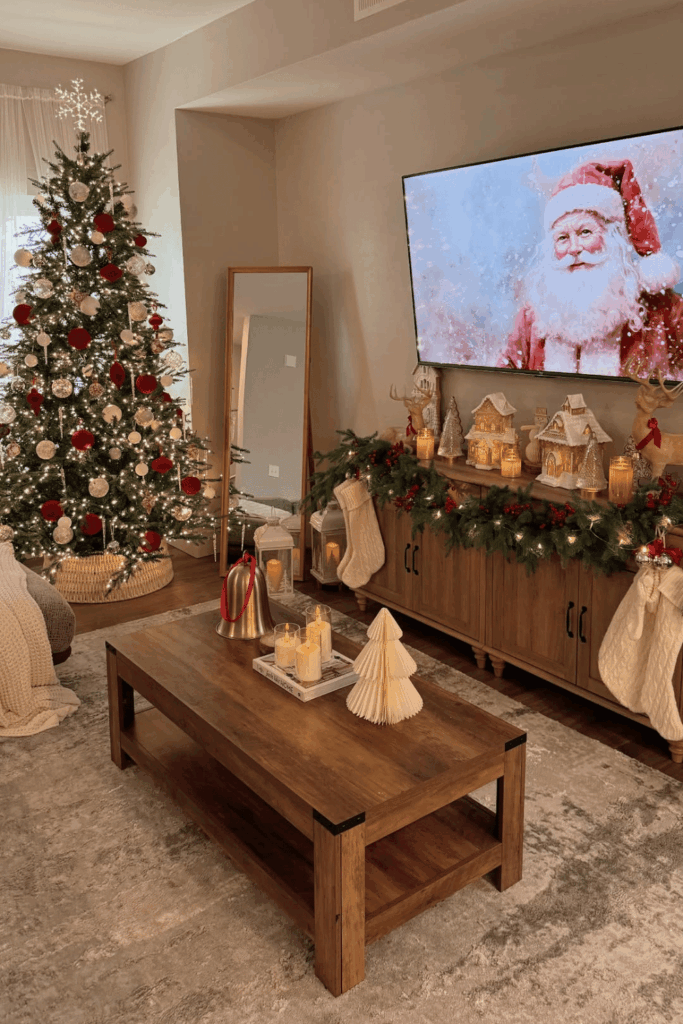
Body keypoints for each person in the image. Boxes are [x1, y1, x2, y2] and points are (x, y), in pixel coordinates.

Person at [497, 160, 683, 377]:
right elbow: (504, 377)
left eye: (585, 232)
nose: (574, 249)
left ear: (613, 239)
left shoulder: (664, 311)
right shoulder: (532, 317)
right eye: (563, 238)